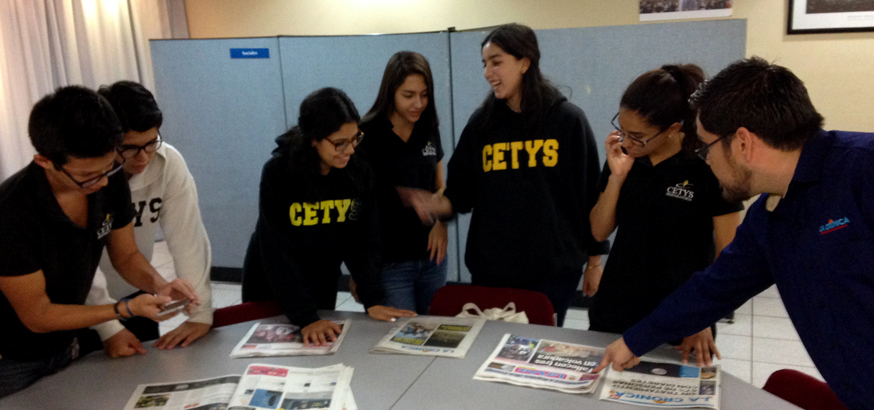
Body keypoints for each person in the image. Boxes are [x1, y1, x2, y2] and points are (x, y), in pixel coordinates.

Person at [592, 57, 874, 410]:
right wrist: (632, 342)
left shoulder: (864, 169)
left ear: (742, 142)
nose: (705, 160)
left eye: (707, 147)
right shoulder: (770, 216)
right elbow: (714, 288)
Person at [0, 86, 199, 405]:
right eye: (87, 176)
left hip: (69, 340)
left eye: (109, 168)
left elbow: (127, 256)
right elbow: (37, 315)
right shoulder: (8, 213)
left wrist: (162, 287)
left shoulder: (109, 178)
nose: (102, 183)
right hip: (10, 356)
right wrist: (124, 310)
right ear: (45, 161)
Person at [401, 24, 608, 326]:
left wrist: (594, 262)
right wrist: (435, 204)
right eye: (485, 64)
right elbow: (460, 192)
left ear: (524, 62)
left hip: (553, 272)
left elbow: (590, 195)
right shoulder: (482, 124)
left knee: (537, 355)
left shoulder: (567, 120)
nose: (488, 72)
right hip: (492, 271)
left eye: (496, 62)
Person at [587, 64, 742, 365]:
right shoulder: (624, 157)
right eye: (623, 130)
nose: (628, 142)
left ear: (673, 129)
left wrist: (701, 317)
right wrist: (617, 177)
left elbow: (729, 255)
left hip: (682, 315)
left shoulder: (709, 166)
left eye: (638, 136)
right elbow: (598, 231)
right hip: (616, 307)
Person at [241, 87, 415, 346]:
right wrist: (305, 316)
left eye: (355, 138)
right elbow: (277, 251)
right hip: (272, 285)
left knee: (318, 351)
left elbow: (364, 240)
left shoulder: (358, 172)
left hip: (320, 281)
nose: (350, 150)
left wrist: (372, 300)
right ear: (313, 139)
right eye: (339, 143)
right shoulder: (279, 174)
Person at [80, 81, 213, 357]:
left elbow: (187, 238)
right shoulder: (85, 175)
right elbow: (80, 258)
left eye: (151, 143)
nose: (143, 157)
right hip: (81, 302)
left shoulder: (167, 162)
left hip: (135, 290)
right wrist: (109, 327)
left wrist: (200, 311)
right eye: (129, 148)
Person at [357, 51, 447, 314]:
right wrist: (360, 274)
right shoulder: (366, 134)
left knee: (435, 337)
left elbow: (440, 186)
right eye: (408, 95)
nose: (418, 103)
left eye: (424, 94)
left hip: (432, 259)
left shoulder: (428, 128)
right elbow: (361, 206)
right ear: (390, 92)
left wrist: (441, 222)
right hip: (389, 264)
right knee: (399, 342)